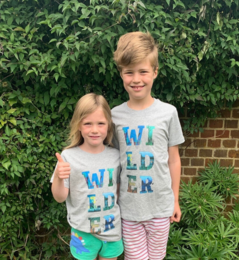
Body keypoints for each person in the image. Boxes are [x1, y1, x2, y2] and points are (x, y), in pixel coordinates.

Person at [112, 31, 185, 260]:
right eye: (129, 72)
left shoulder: (168, 113)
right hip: (129, 210)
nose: (136, 79)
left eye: (143, 71)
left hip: (160, 208)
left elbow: (173, 159)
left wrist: (175, 200)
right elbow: (112, 163)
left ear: (155, 72)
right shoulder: (114, 117)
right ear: (121, 74)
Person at [51, 93, 124, 260]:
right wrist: (58, 177)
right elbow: (60, 197)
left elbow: (117, 193)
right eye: (88, 123)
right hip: (82, 233)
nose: (95, 130)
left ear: (108, 126)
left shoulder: (116, 156)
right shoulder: (68, 157)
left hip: (112, 231)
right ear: (78, 125)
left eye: (101, 123)